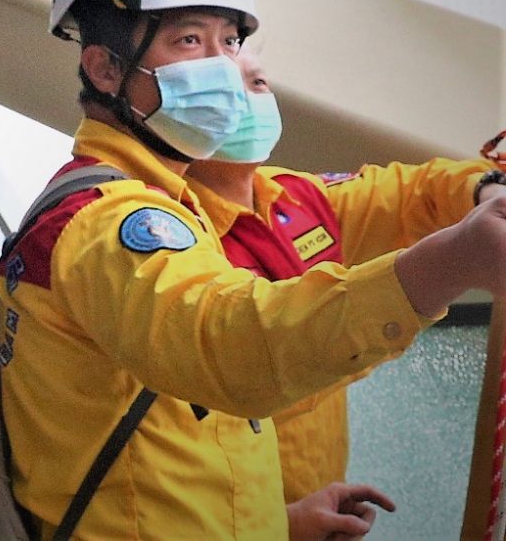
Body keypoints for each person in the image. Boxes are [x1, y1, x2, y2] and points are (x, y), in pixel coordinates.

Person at [0, 0, 506, 538]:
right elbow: (231, 349)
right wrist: (451, 262)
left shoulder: (170, 201)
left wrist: (278, 523)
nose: (224, 70)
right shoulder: (104, 225)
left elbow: (183, 460)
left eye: (229, 42)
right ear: (105, 69)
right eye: (189, 40)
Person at [186, 48, 502, 507]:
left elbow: (417, 191)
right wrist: (282, 525)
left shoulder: (301, 198)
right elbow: (197, 411)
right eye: (229, 88)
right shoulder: (173, 239)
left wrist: (486, 190)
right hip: (229, 516)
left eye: (258, 83)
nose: (251, 100)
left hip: (316, 498)